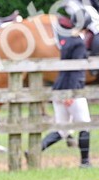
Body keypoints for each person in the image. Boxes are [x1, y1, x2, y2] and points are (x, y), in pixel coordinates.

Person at [39, 34, 93, 167]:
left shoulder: (66, 40)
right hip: (72, 89)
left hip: (58, 87)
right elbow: (75, 69)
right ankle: (85, 162)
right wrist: (71, 92)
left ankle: (35, 150)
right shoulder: (79, 43)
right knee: (84, 125)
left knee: (62, 129)